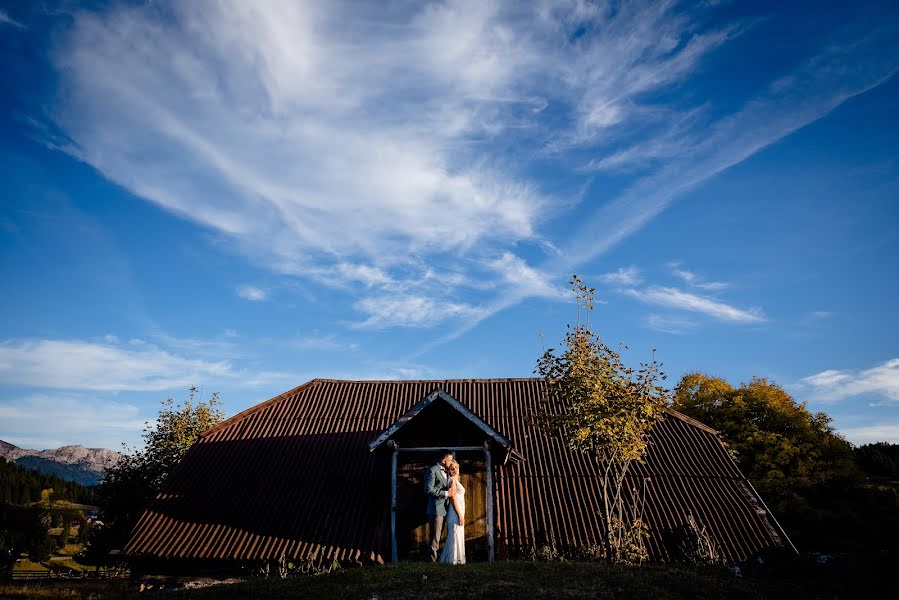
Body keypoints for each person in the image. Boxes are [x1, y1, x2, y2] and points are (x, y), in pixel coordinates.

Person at [424, 450, 456, 562]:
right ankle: (432, 561)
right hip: (435, 510)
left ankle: (435, 559)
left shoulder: (446, 472)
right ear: (443, 460)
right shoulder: (432, 471)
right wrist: (446, 493)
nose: (451, 462)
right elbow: (428, 490)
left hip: (445, 510)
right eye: (450, 460)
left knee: (439, 536)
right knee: (435, 537)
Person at [439, 460, 466, 565]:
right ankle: (452, 561)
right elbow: (453, 498)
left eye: (456, 467)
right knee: (454, 536)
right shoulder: (452, 481)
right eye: (452, 468)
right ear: (449, 471)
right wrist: (460, 514)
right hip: (455, 512)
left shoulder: (455, 480)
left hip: (459, 511)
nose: (455, 470)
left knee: (457, 535)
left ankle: (458, 560)